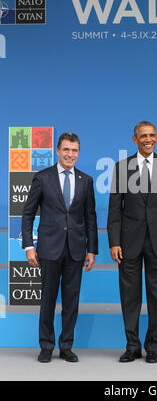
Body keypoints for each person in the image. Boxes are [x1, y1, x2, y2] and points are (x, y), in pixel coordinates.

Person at [107, 121, 157, 363]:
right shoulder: (121, 167)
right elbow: (114, 209)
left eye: (152, 135)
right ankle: (132, 346)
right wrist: (113, 242)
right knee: (129, 296)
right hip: (128, 242)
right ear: (134, 139)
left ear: (156, 137)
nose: (148, 139)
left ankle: (153, 347)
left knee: (156, 295)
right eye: (143, 136)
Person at [22, 132, 98, 363]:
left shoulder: (86, 180)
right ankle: (46, 346)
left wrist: (92, 250)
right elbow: (27, 214)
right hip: (48, 249)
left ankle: (66, 346)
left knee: (71, 301)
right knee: (47, 300)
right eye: (66, 149)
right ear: (57, 151)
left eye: (74, 150)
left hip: (76, 250)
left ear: (78, 153)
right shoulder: (43, 177)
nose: (70, 154)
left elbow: (90, 218)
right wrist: (28, 246)